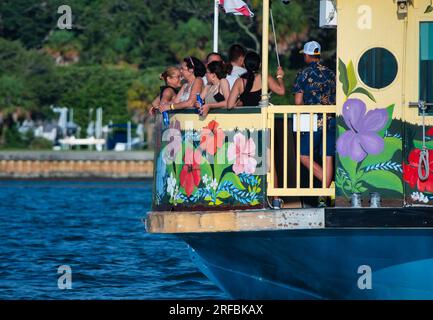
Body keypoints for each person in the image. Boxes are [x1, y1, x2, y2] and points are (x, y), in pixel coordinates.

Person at [293, 40, 336, 190]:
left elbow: (298, 102)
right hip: (331, 119)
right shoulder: (331, 73)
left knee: (304, 155)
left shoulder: (303, 74)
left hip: (313, 119)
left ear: (307, 55)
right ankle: (326, 193)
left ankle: (325, 187)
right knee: (328, 157)